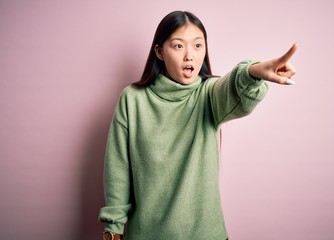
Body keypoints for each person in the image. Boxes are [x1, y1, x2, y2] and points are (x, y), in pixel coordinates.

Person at [98, 10, 297, 240]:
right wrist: (112, 229)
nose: (189, 56)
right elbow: (118, 168)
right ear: (160, 52)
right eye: (178, 46)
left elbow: (232, 88)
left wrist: (252, 73)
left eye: (198, 45)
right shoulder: (132, 99)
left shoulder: (208, 94)